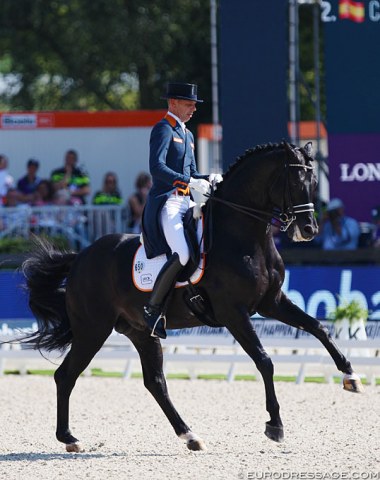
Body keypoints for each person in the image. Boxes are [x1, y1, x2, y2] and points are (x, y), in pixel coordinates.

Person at [141, 82, 223, 339]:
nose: (193, 109)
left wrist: (210, 177)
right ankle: (152, 310)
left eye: (194, 105)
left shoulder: (187, 134)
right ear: (173, 103)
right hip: (169, 202)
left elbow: (193, 173)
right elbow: (157, 169)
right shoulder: (164, 129)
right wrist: (188, 182)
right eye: (189, 104)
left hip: (188, 201)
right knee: (184, 254)